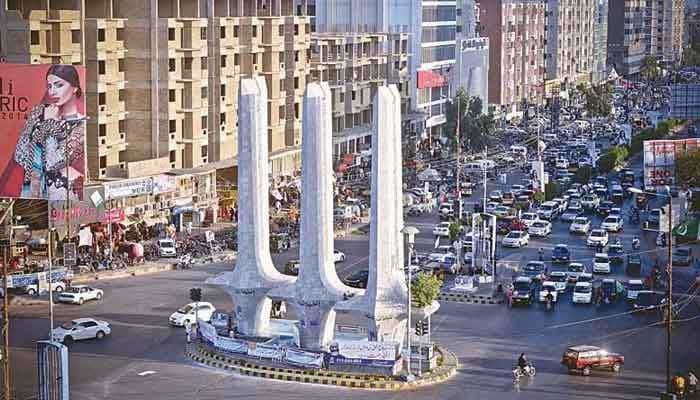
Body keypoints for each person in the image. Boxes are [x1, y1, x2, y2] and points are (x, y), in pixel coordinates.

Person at [0, 64, 85, 200]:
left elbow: (52, 164)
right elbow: (19, 153)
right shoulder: (39, 111)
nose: (52, 92)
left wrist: (50, 123)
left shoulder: (81, 126)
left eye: (59, 85)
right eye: (49, 86)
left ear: (75, 87)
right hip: (31, 192)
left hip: (61, 196)